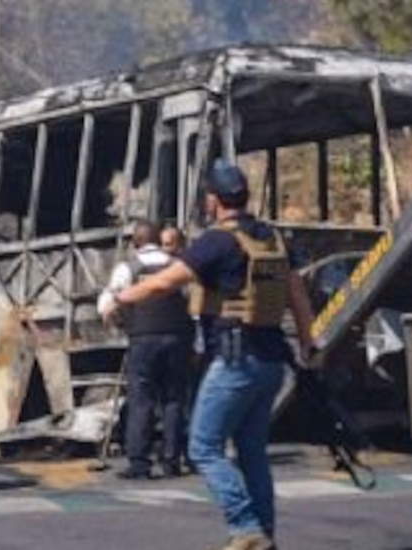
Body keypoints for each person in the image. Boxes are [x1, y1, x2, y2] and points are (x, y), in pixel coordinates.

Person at [102, 162, 314, 550]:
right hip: (271, 361)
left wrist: (119, 297)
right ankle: (264, 536)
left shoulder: (218, 241)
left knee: (202, 447)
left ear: (213, 200)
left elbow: (166, 281)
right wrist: (308, 345)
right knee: (252, 453)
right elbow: (298, 297)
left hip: (235, 359)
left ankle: (245, 527)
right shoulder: (274, 238)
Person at [97, 219, 192, 479]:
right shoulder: (176, 265)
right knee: (174, 399)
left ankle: (140, 462)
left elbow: (106, 303)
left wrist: (117, 322)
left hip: (143, 337)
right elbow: (190, 299)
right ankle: (172, 460)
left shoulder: (128, 268)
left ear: (135, 242)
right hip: (176, 336)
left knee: (142, 399)